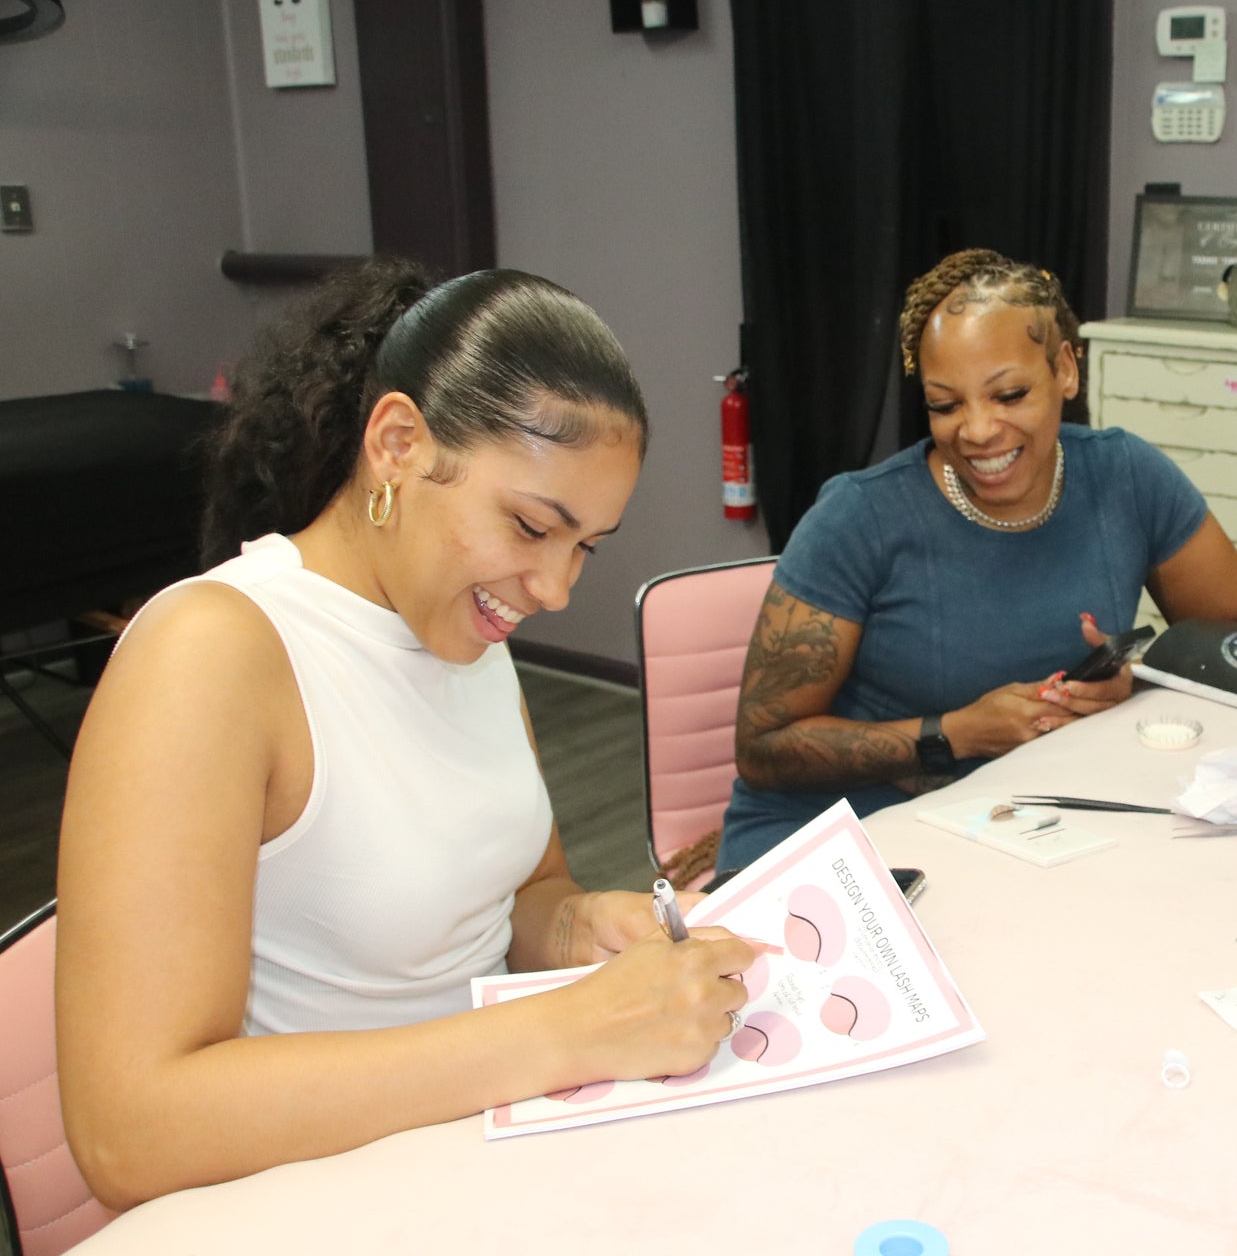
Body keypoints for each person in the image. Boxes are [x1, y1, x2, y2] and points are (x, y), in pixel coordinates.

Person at [55, 260, 756, 1210]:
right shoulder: (214, 650)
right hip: (299, 1199)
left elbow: (520, 895)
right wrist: (564, 1033)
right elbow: (130, 1130)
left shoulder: (461, 623)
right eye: (530, 526)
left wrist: (584, 924)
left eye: (584, 546)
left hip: (473, 1157)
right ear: (397, 444)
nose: (555, 589)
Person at [716, 248, 1237, 871]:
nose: (978, 430)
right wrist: (956, 733)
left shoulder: (1126, 477)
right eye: (945, 404)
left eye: (1009, 394)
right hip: (837, 840)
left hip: (1014, 829)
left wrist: (1135, 681)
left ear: (1065, 369)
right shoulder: (858, 518)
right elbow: (763, 748)